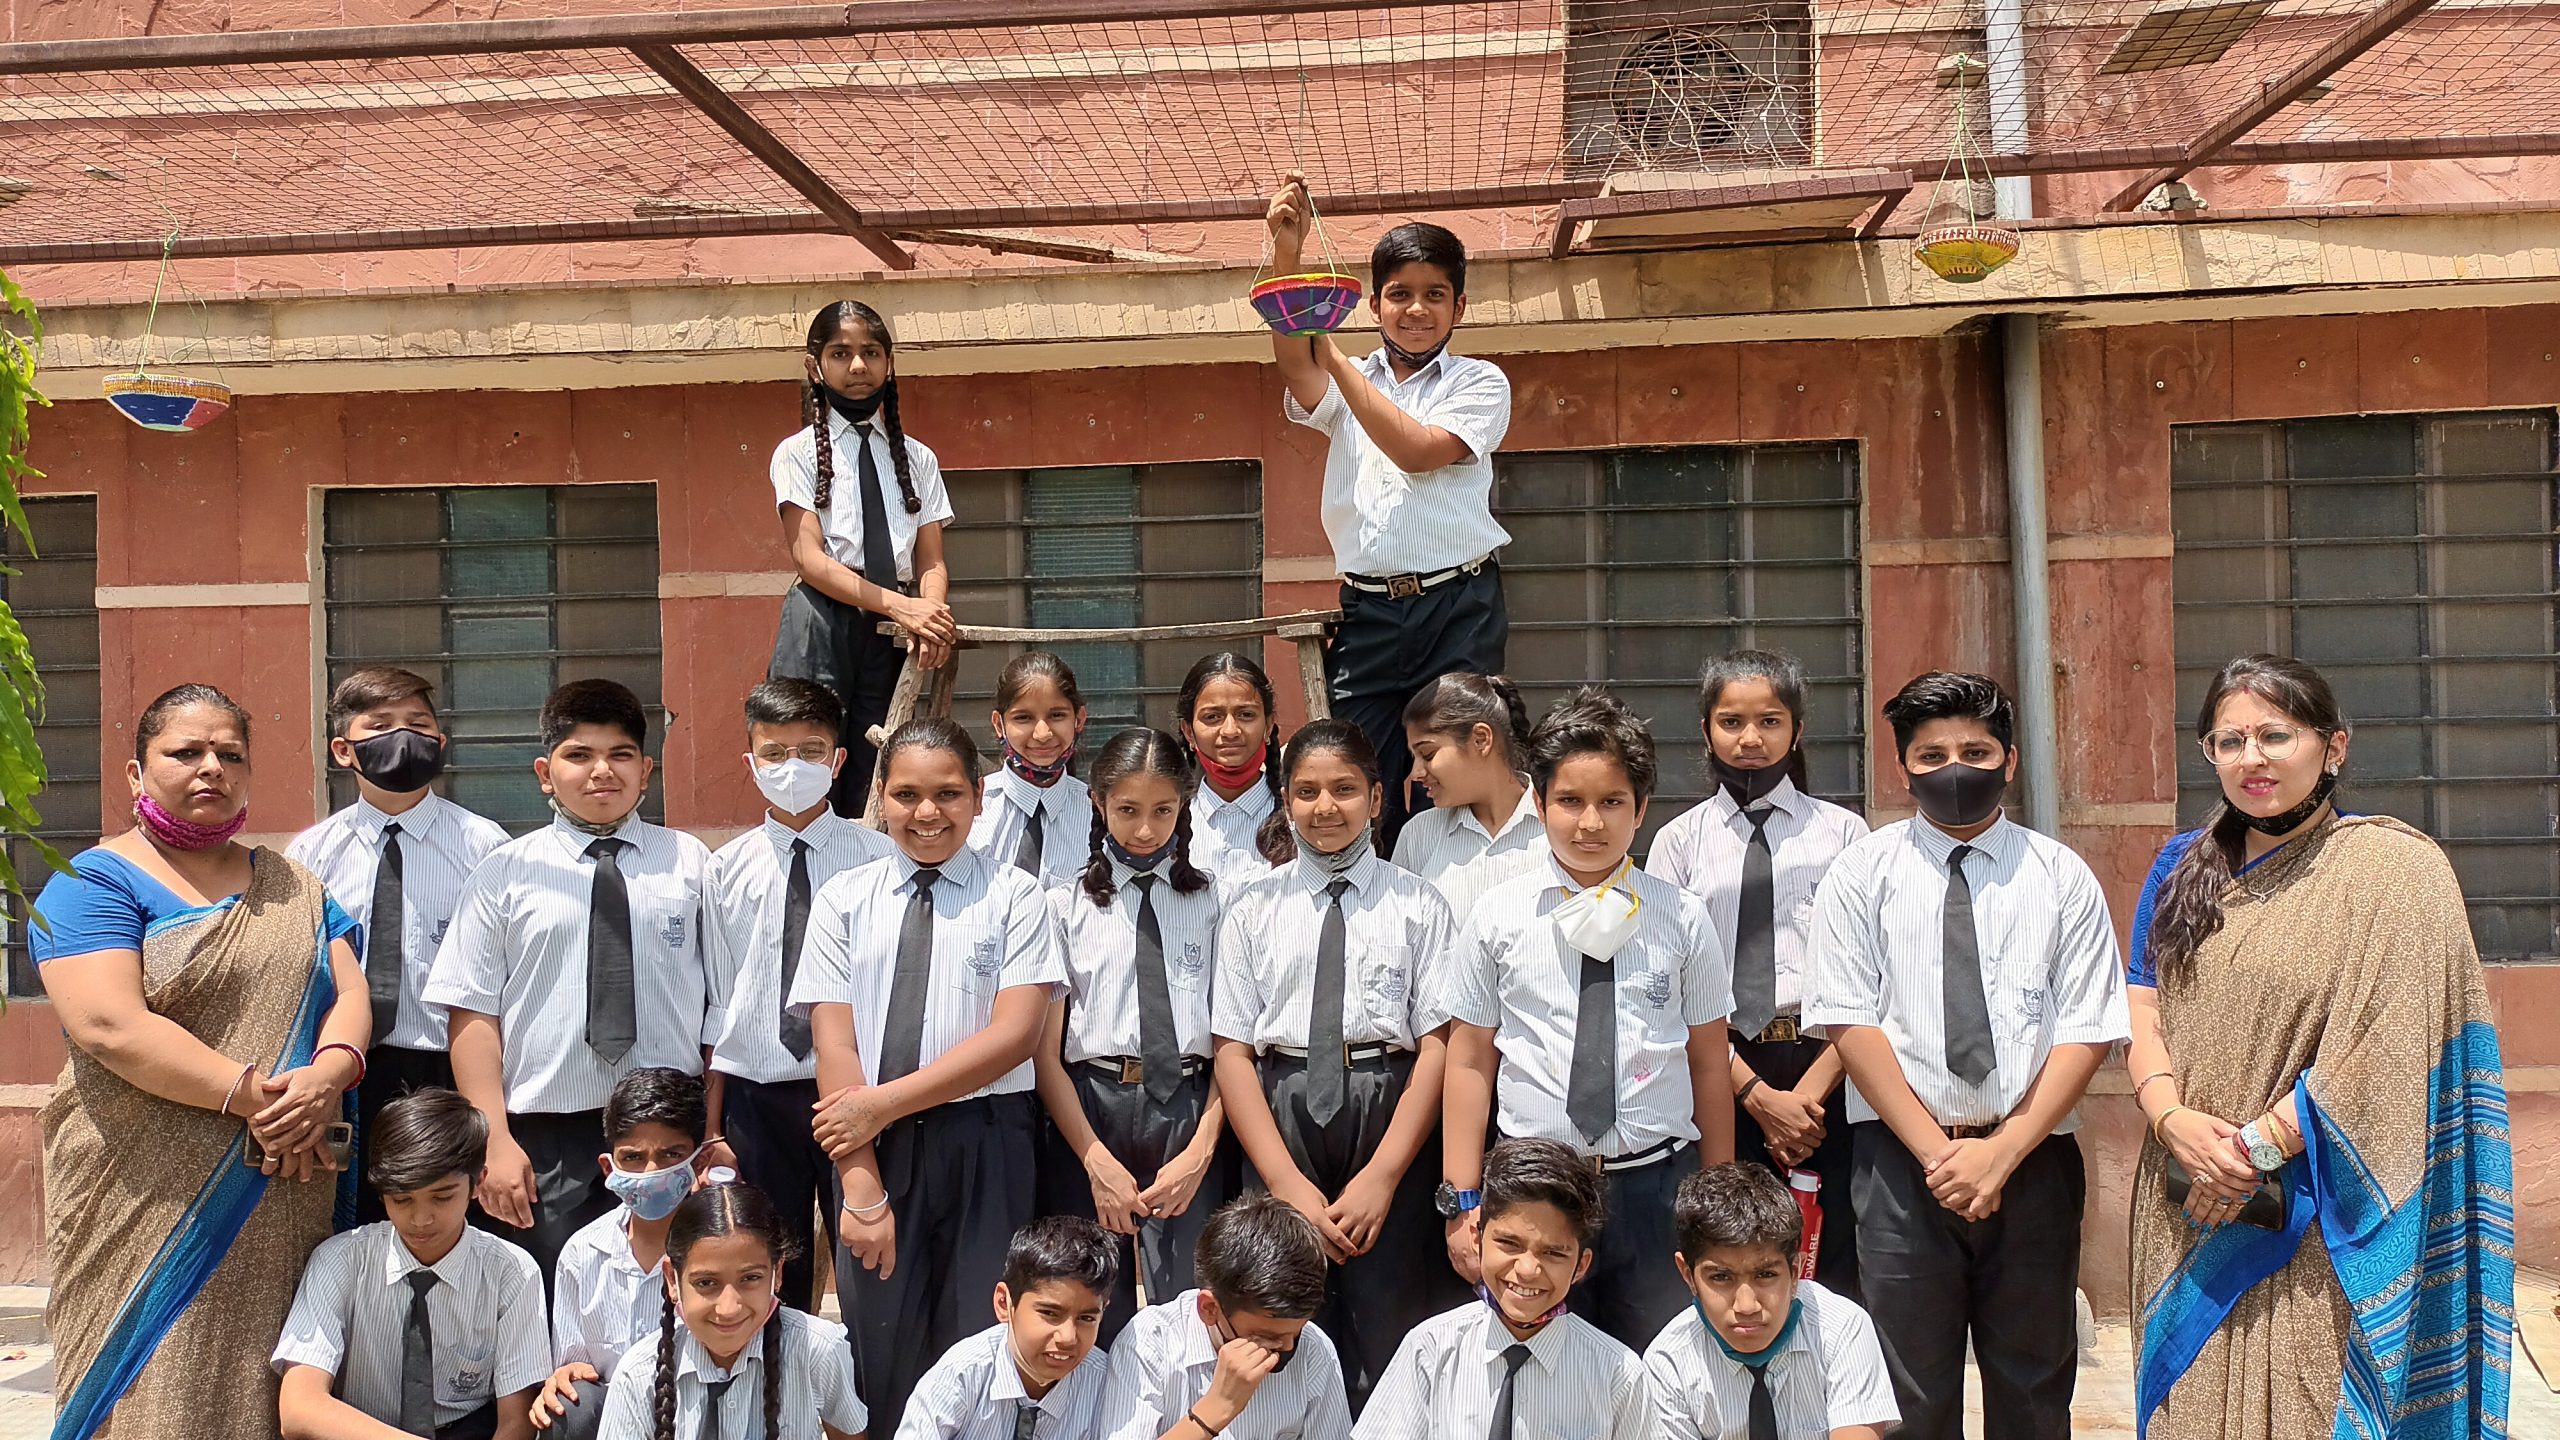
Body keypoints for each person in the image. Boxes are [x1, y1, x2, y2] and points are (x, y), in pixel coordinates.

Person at [2124, 654, 2512, 1440]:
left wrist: (2250, 1153)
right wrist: (2171, 1120)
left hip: (2320, 1208)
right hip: (2186, 1199)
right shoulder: (2178, 867)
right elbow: (2142, 1006)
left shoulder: (2395, 873)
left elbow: (2389, 1052)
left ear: (2333, 747)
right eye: (2229, 741)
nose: (2252, 758)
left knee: (2309, 1406)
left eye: (2275, 735)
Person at [36, 683, 369, 1440]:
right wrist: (267, 1101)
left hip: (283, 1188)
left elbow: (349, 992)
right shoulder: (93, 882)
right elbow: (109, 1025)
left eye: (230, 754)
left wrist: (327, 1076)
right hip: (140, 1193)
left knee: (268, 1378)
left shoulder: (294, 886)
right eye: (185, 752)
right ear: (135, 773)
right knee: (148, 1387)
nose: (211, 767)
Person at [1801, 672, 2129, 1440]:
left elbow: (2087, 1028)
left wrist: (2003, 1151)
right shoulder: (1861, 875)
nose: (1955, 769)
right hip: (1901, 1167)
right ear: (1903, 767)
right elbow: (1849, 1021)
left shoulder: (2060, 876)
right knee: (1906, 1392)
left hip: (2034, 1161)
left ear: (2008, 760)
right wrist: (1938, 1155)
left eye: (1975, 752)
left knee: (2034, 1390)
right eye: (1931, 755)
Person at [790, 717, 1065, 1437]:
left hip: (987, 1142)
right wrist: (860, 1185)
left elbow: (1014, 1036)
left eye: (948, 794)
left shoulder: (1017, 896)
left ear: (978, 796)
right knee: (880, 1349)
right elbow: (834, 1042)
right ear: (880, 795)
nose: (927, 813)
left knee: (981, 1341)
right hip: (874, 1151)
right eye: (906, 794)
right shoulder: (844, 898)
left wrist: (879, 1104)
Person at [1440, 687, 1735, 1350]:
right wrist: (1462, 1202)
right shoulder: (1498, 916)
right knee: (1540, 1369)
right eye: (1570, 801)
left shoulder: (1682, 918)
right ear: (1539, 803)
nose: (1591, 823)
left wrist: (1714, 1201)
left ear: (1642, 809)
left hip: (1656, 1188)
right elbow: (1469, 1061)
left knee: (1660, 1369)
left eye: (1612, 802)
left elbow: (1710, 1064)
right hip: (1535, 1191)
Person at [425, 678, 716, 1280]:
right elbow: (472, 1013)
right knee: (555, 1301)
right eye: (579, 755)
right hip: (546, 1140)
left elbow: (721, 1010)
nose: (601, 771)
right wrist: (495, 1141)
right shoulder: (504, 872)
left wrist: (710, 1133)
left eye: (620, 754)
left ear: (646, 771)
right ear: (545, 772)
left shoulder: (691, 863)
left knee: (676, 1291)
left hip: (670, 1137)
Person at [1210, 717, 1463, 1404]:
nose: (1326, 807)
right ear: (1284, 800)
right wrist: (1283, 1182)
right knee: (1283, 1310)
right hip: (1281, 1114)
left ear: (1376, 799)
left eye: (1345, 789)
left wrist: (1383, 1176)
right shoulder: (1252, 908)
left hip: (1390, 1113)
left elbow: (1439, 1044)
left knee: (1392, 1320)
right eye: (1307, 791)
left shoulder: (1418, 904)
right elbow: (1232, 1051)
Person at [1267, 173, 1513, 851]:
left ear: (1460, 306)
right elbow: (1294, 364)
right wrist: (1287, 251)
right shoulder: (1347, 380)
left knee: (1454, 775)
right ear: (1374, 303)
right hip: (1369, 612)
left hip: (1458, 607)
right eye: (1400, 294)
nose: (1416, 309)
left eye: (1435, 295)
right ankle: (1367, 900)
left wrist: (1334, 355)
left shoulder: (1479, 382)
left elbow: (1417, 451)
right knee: (1356, 774)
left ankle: (1455, 897)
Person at [1646, 650, 1869, 1299]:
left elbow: (1872, 976)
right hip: (1722, 1070)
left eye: (1770, 721)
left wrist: (1807, 1098)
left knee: (1831, 1262)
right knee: (1729, 1253)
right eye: (1732, 722)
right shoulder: (1678, 843)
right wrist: (1757, 1097)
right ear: (1706, 730)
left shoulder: (1845, 836)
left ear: (1797, 730)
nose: (1750, 738)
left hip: (1829, 1067)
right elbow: (1663, 986)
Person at [290, 666, 512, 1223]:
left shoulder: (485, 846)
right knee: (352, 1223)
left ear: (440, 742)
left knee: (447, 1221)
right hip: (348, 1071)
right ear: (344, 749)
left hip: (449, 1069)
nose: (402, 737)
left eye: (417, 724)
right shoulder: (312, 855)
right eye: (381, 725)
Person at [1035, 727, 1231, 1348]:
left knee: (1193, 1309)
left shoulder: (1217, 902)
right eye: (1127, 810)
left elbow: (1234, 1043)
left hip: (1190, 1108)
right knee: (1088, 1301)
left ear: (1185, 804)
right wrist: (1094, 1159)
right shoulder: (1062, 905)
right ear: (1097, 802)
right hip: (1091, 1111)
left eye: (1163, 810)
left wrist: (1201, 1150)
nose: (1145, 829)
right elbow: (1045, 1057)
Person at [705, 679, 894, 1311]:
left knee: (868, 1257)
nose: (793, 767)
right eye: (775, 753)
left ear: (838, 760)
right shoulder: (723, 870)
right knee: (768, 1262)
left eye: (810, 751)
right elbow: (717, 1005)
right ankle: (777, 1371)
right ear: (751, 762)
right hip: (758, 1099)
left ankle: (864, 1370)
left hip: (859, 1089)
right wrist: (712, 1127)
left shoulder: (880, 859)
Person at [769, 298, 961, 816]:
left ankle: (871, 864)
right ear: (814, 366)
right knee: (807, 759)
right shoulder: (796, 452)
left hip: (894, 627)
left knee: (882, 766)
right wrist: (904, 608)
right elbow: (808, 558)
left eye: (871, 352)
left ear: (889, 362)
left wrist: (930, 613)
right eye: (840, 353)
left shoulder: (919, 458)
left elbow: (931, 562)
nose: (858, 366)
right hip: (821, 619)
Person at [274, 1087, 551, 1440]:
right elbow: (299, 1409)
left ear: (477, 1183)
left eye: (442, 1196)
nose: (421, 1219)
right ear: (381, 1192)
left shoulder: (512, 1271)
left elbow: (516, 1423)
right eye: (402, 1199)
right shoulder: (340, 1261)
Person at [1356, 1138, 1648, 1440]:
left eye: (1553, 1253)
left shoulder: (1618, 1376)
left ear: (1581, 1266)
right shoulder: (1429, 1349)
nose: (1527, 1269)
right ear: (1477, 1239)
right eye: (1509, 1243)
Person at [1643, 1162, 1899, 1440]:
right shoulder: (1667, 1362)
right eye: (1720, 1277)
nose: (1746, 1306)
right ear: (1688, 1275)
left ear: (1795, 1271)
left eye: (1765, 1275)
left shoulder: (1842, 1328)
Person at [597, 1183, 870, 1440]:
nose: (728, 1309)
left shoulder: (817, 1350)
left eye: (750, 1278)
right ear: (672, 1279)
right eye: (706, 1283)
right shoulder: (638, 1374)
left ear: (777, 1273)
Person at [532, 1068, 715, 1439]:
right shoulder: (583, 1252)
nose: (652, 1171)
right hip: (616, 1421)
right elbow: (575, 1371)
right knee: (569, 1407)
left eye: (671, 1154)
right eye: (633, 1157)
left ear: (699, 1161)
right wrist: (566, 1376)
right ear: (608, 1167)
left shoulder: (725, 1246)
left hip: (703, 1415)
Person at [1094, 1193, 1354, 1440]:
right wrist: (1215, 1409)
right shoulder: (1150, 1343)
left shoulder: (1313, 1348)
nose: (1286, 1347)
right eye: (1266, 1337)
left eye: (1295, 1333)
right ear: (1209, 1309)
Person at [897, 1215, 1120, 1440]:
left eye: (1086, 1318)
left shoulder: (1107, 1386)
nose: (1068, 1337)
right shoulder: (961, 1376)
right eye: (1050, 1313)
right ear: (1004, 1303)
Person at [1390, 671, 1543, 915]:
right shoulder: (1418, 834)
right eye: (1414, 757)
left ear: (1481, 739)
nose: (1416, 773)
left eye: (1428, 754)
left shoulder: (1559, 824)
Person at [970, 652, 1092, 889]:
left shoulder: (1098, 814)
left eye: (1057, 715)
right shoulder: (971, 809)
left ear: (1079, 719)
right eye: (1023, 718)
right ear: (999, 724)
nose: (1042, 734)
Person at [1172, 652, 1287, 889]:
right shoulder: (1166, 823)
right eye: (1212, 717)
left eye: (1246, 715)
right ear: (1188, 731)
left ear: (1268, 725)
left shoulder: (1299, 819)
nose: (1230, 731)